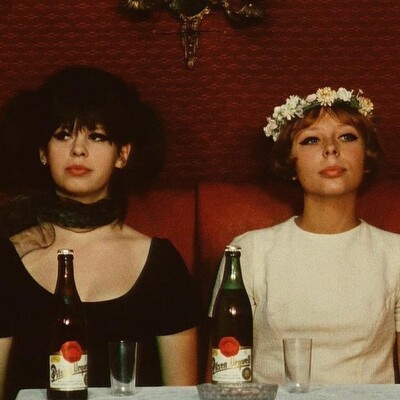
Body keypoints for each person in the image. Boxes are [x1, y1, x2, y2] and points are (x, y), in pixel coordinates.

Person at [0, 66, 201, 400]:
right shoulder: (8, 256)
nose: (78, 149)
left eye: (96, 136)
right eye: (63, 135)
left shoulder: (161, 264)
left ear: (122, 154)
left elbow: (182, 396)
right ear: (42, 153)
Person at [209, 87, 400, 384]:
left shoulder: (395, 253)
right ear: (291, 164)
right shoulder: (250, 251)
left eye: (347, 136)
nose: (331, 149)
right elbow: (223, 378)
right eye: (311, 140)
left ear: (366, 156)